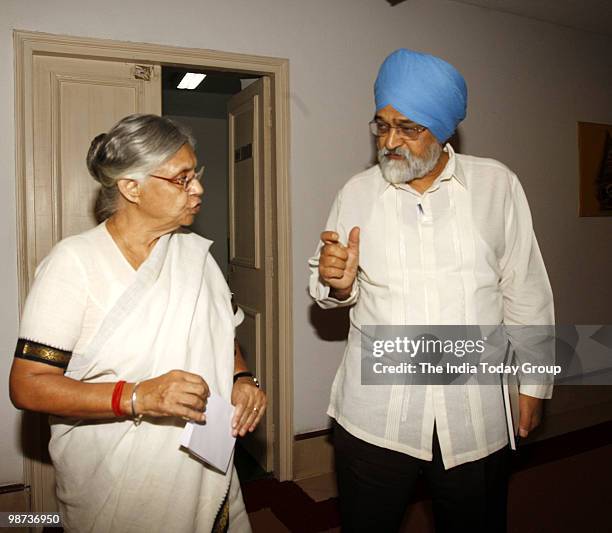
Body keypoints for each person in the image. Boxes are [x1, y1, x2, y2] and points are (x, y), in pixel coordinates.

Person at [308, 49, 554, 533]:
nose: (390, 141)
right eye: (382, 126)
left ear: (443, 131)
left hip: (476, 410)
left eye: (409, 128)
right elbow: (325, 283)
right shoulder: (357, 192)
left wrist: (535, 383)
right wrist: (334, 283)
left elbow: (526, 289)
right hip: (376, 414)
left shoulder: (496, 185)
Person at [9, 114, 266, 533]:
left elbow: (221, 333)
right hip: (115, 479)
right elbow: (28, 384)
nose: (198, 188)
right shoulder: (73, 264)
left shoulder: (195, 256)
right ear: (132, 187)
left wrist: (242, 378)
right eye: (182, 179)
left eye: (195, 175)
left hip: (206, 457)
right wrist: (139, 397)